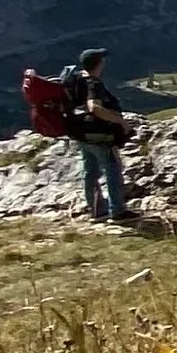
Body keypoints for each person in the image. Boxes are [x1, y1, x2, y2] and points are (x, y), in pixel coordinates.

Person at [61, 48, 132, 223]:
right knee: (112, 168)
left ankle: (97, 210)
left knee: (90, 171)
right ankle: (118, 211)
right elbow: (94, 107)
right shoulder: (94, 83)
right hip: (99, 133)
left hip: (80, 132)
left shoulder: (75, 79)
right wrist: (120, 121)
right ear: (99, 63)